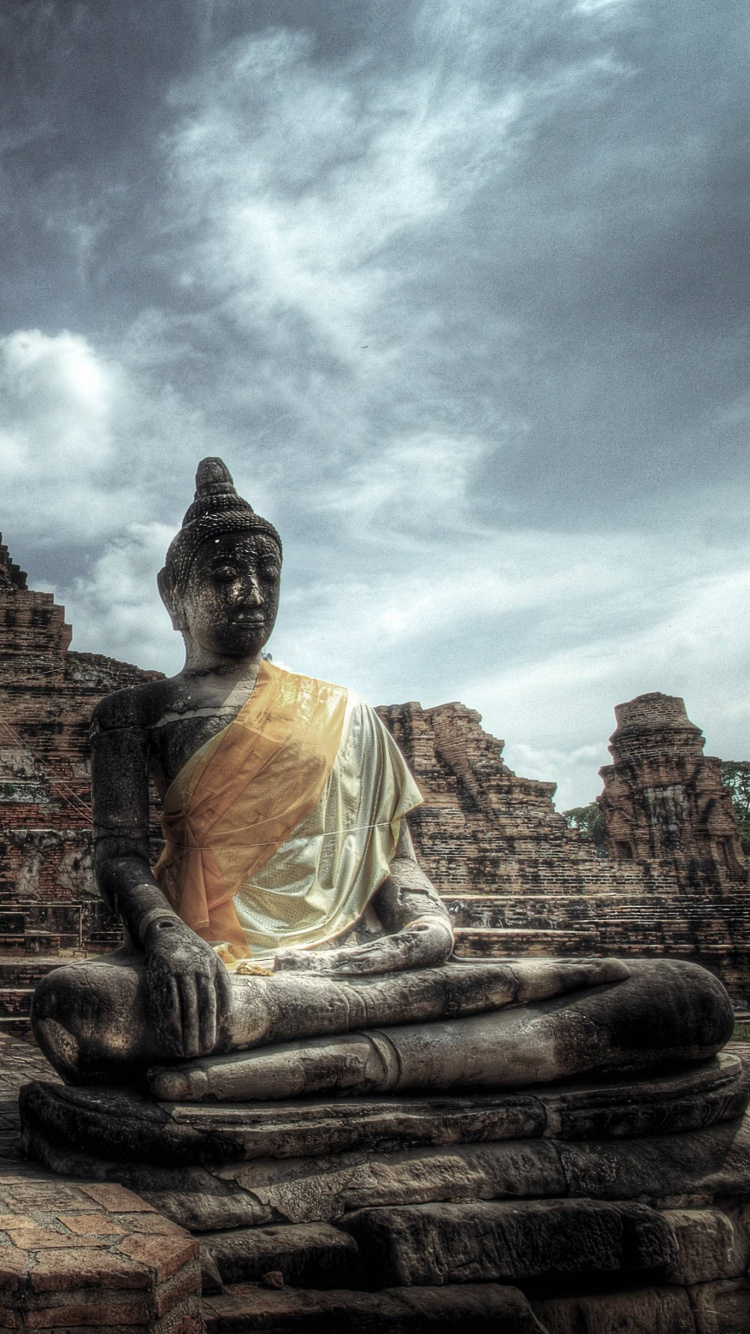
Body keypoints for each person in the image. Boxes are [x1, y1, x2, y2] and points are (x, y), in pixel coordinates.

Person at [31, 460, 733, 1094]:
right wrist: (167, 936)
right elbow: (118, 854)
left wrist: (426, 922)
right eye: (222, 576)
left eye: (266, 575)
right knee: (85, 1008)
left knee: (686, 996)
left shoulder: (346, 712)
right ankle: (435, 1057)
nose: (248, 593)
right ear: (172, 592)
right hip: (222, 964)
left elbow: (396, 860)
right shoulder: (135, 713)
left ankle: (285, 1067)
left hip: (372, 968)